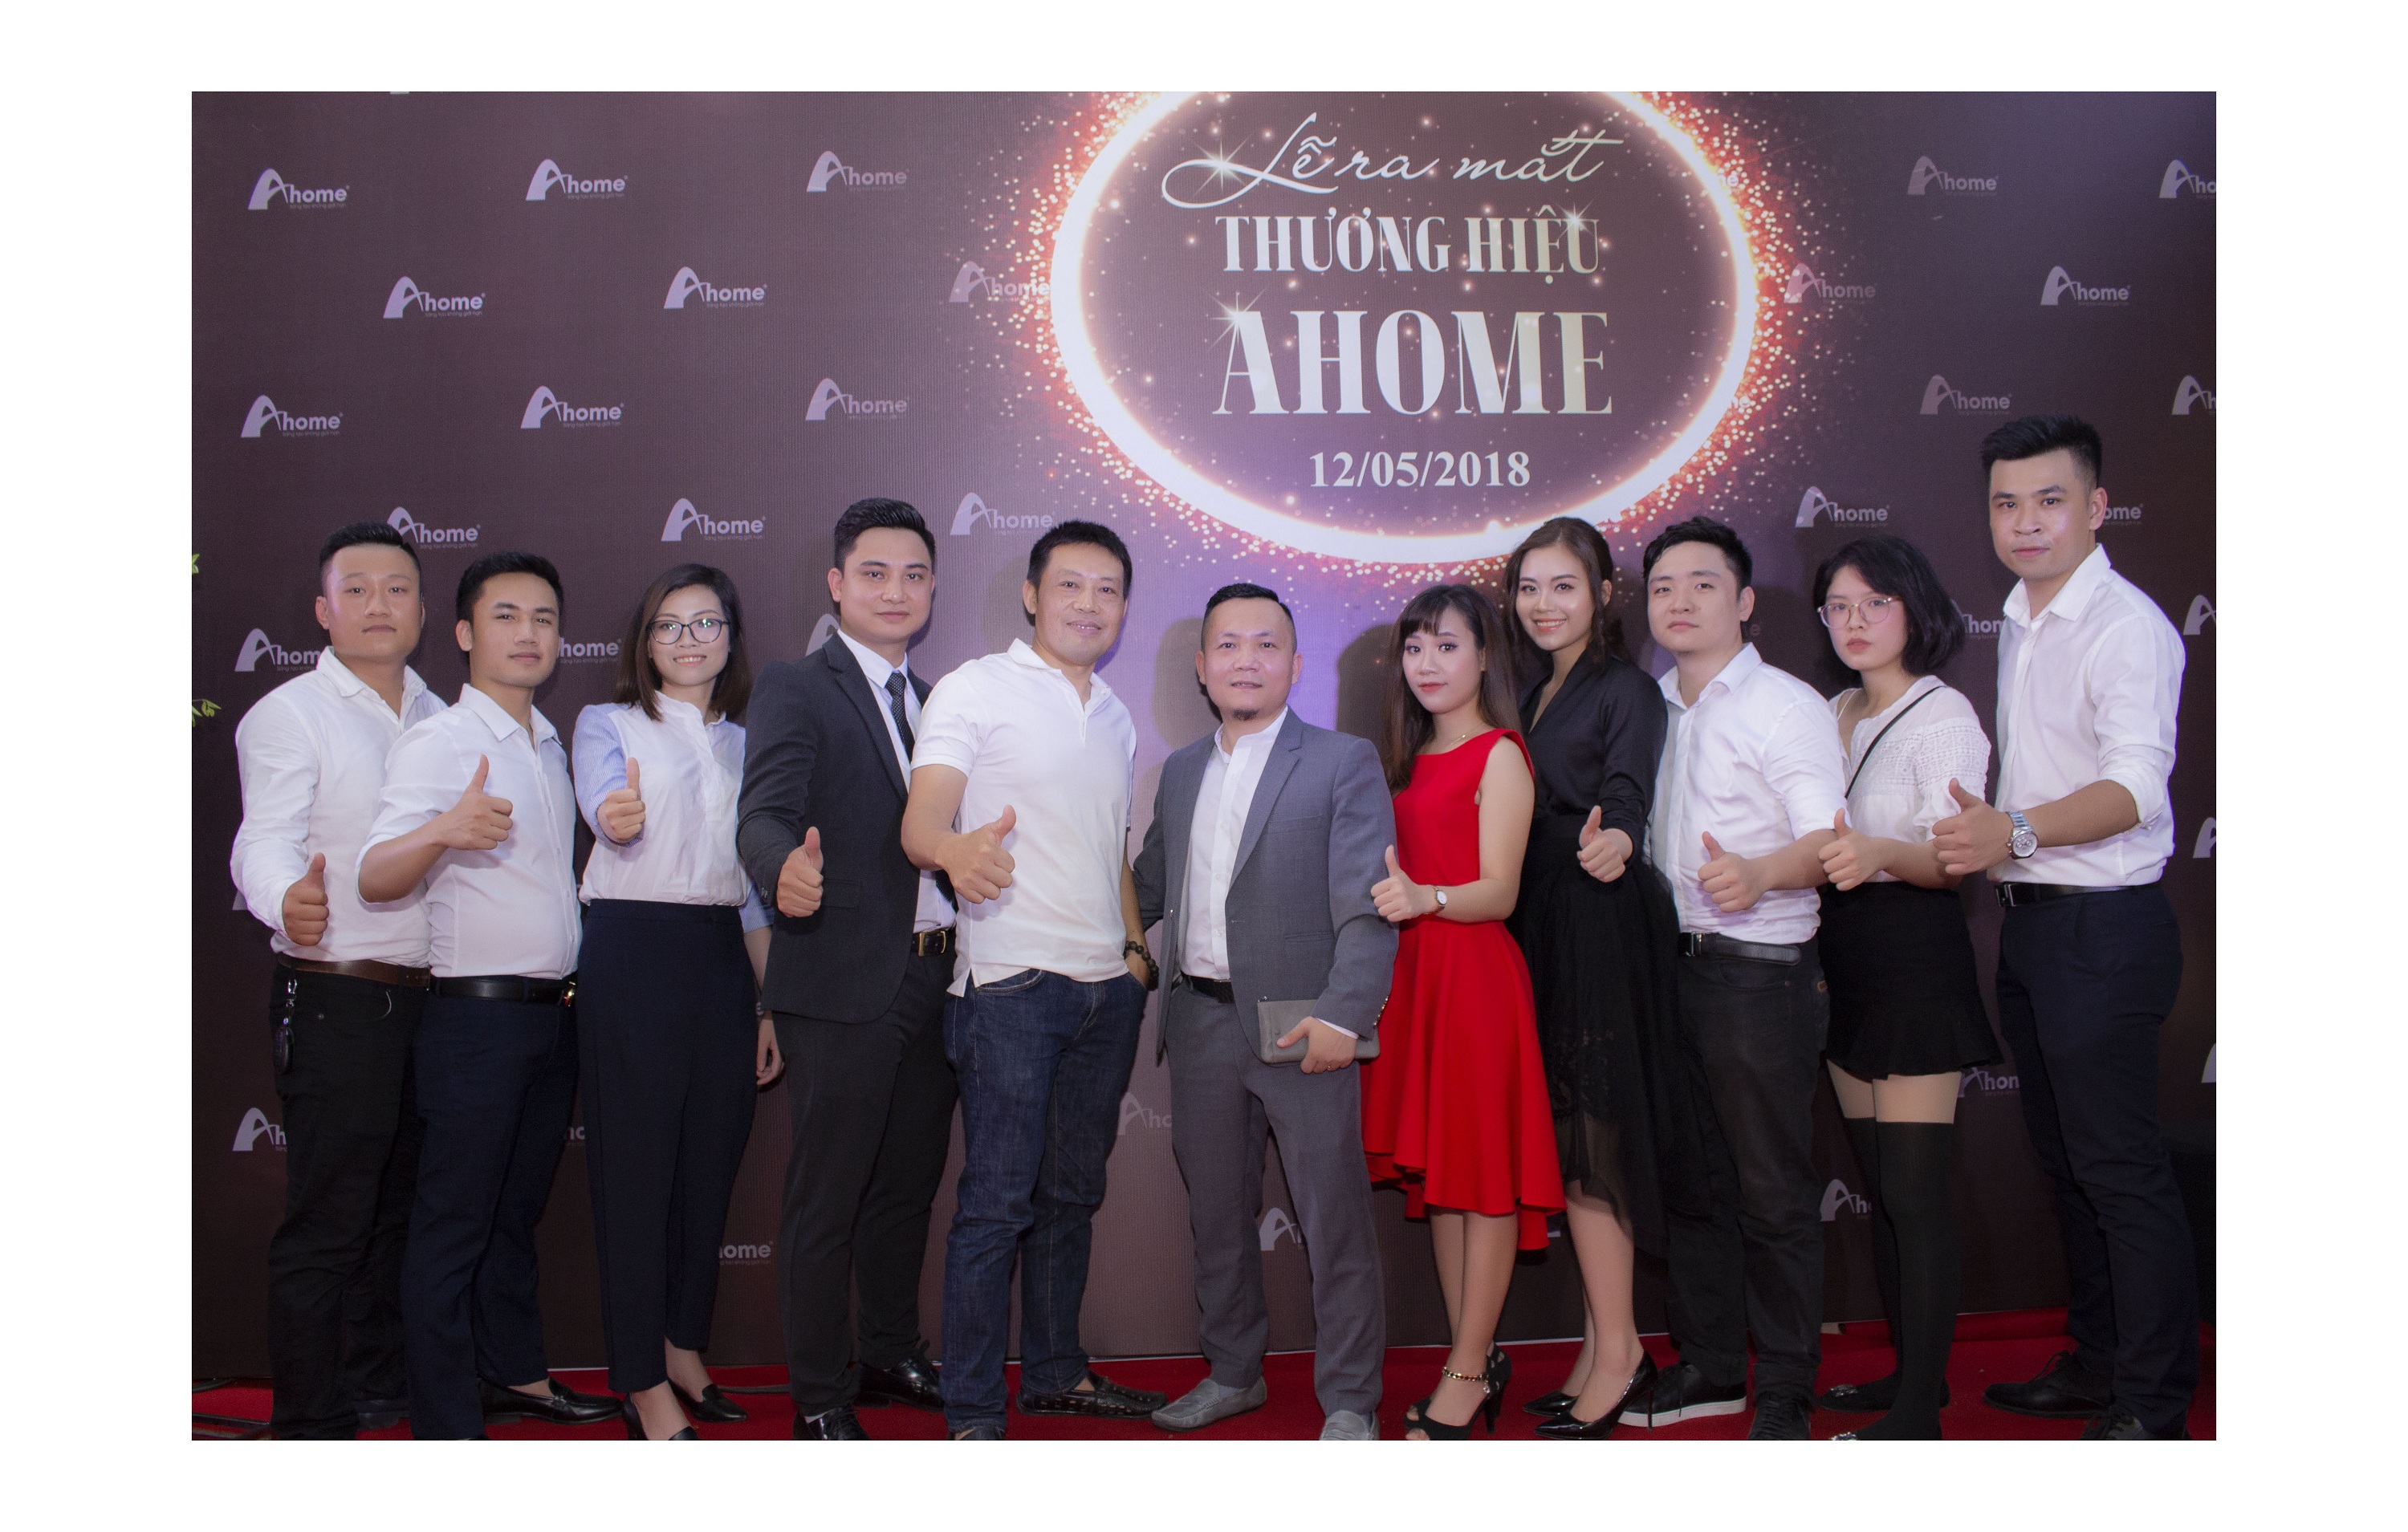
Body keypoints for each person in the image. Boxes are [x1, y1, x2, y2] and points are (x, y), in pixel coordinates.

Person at [1932, 416, 2194, 1441]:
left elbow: (2134, 789)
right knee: (2069, 1160)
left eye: (2050, 500)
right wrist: (2003, 838)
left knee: (2119, 1169)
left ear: (2097, 507)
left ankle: (2153, 1404)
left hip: (2106, 929)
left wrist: (2017, 829)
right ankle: (2098, 1362)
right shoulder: (2022, 615)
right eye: (2007, 503)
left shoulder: (2125, 627)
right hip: (2036, 926)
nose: (2026, 522)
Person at [900, 520, 1166, 1441]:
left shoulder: (1118, 715)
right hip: (1012, 987)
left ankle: (1056, 1370)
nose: (1089, 604)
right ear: (1031, 594)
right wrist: (952, 852)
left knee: (1072, 1196)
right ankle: (975, 1411)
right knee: (995, 1205)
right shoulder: (974, 687)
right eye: (1070, 585)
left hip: (1106, 993)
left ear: (1123, 607)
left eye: (1107, 589)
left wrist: (1135, 955)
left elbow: (1111, 848)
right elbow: (921, 822)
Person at [1132, 583, 1397, 1441]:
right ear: (1202, 666)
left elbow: (1368, 903)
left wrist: (1344, 1016)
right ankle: (1233, 1372)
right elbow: (1147, 886)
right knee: (1217, 1216)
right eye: (1228, 645)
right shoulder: (1179, 771)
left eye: (1265, 644)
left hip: (1305, 1023)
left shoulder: (1342, 759)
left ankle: (1350, 1399)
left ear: (1294, 663)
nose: (1246, 660)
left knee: (1333, 1220)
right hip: (1200, 1021)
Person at [359, 551, 615, 1439]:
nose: (528, 633)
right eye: (506, 616)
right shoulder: (439, 741)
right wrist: (444, 829)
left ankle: (516, 1375)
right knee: (453, 1223)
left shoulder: (549, 742)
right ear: (465, 633)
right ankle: (445, 1424)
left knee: (514, 1215)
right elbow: (375, 874)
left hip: (555, 1017)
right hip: (475, 1020)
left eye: (544, 618)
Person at [736, 499, 961, 1441]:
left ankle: (888, 1350)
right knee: (826, 1199)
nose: (895, 591)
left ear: (933, 586)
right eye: (874, 573)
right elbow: (761, 813)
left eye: (914, 574)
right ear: (837, 584)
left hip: (936, 979)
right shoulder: (797, 685)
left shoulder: (943, 701)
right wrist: (780, 870)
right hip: (838, 976)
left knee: (905, 1189)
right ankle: (821, 1396)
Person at [230, 521, 448, 1438]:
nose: (377, 605)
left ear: (424, 610)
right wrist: (286, 898)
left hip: (433, 1000)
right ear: (323, 611)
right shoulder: (289, 714)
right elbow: (262, 838)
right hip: (338, 994)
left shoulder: (445, 716)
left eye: (396, 588)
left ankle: (379, 1388)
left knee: (400, 1212)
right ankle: (309, 1422)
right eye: (355, 589)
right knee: (330, 1221)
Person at [1635, 517, 1845, 1441]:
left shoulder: (1785, 706)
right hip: (1667, 972)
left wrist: (1761, 871)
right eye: (1663, 587)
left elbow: (1829, 841)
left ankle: (1788, 1384)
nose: (1679, 601)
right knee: (1691, 1184)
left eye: (1703, 584)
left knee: (1772, 1189)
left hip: (1759, 977)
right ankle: (1713, 1364)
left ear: (1746, 600)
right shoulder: (1648, 705)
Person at [573, 563, 781, 1441]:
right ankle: (639, 1379)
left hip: (722, 955)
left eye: (706, 623)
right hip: (633, 949)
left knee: (708, 1164)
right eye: (669, 624)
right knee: (635, 1173)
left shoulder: (748, 743)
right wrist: (614, 814)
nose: (689, 640)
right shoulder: (608, 723)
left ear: (731, 637)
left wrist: (768, 1007)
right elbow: (602, 802)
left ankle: (684, 1346)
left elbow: (753, 891)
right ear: (644, 641)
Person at [1805, 534, 2000, 1441]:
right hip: (1844, 961)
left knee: (1917, 1195)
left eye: (1874, 603)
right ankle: (1906, 1376)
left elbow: (1954, 859)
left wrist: (1881, 851)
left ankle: (1921, 1409)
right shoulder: (1830, 710)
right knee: (1883, 1186)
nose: (1854, 621)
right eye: (1838, 607)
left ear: (1913, 608)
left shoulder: (1943, 713)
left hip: (1916, 957)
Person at [1498, 519, 1687, 1440]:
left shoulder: (1627, 688)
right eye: (1529, 587)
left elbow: (1626, 796)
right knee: (1573, 1140)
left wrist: (1618, 835)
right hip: (1544, 923)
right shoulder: (1536, 691)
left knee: (1595, 1141)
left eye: (1564, 586)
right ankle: (1600, 1346)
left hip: (1597, 923)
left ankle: (1619, 1354)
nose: (1544, 604)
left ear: (1604, 592)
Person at [1358, 583, 1562, 1441]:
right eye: (1415, 647)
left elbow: (1501, 890)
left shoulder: (1500, 754)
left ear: (1485, 657)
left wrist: (1426, 897)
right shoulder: (1404, 761)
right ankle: (1468, 1355)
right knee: (1441, 1184)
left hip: (1474, 981)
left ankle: (1470, 1369)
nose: (1428, 663)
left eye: (1447, 645)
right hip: (1414, 982)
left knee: (1479, 1182)